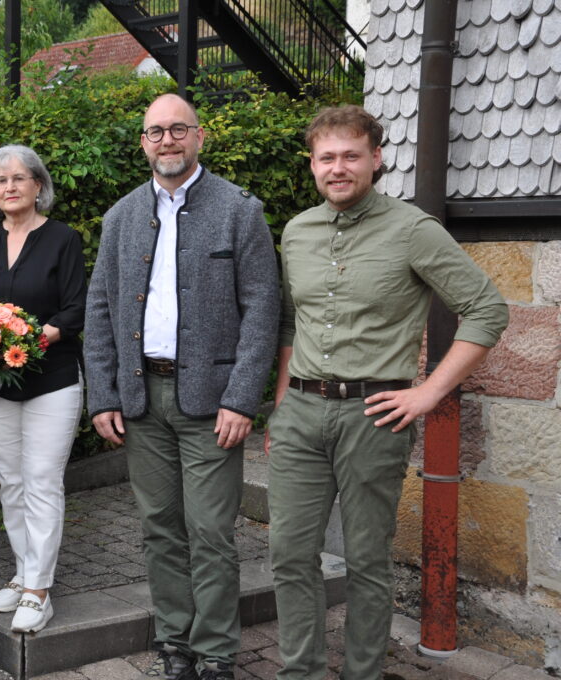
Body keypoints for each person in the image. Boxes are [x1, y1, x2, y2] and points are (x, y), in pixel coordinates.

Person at [266, 104, 508, 680]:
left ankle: (363, 673)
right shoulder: (297, 232)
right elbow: (290, 326)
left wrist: (428, 392)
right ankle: (298, 672)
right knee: (289, 557)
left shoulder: (413, 230)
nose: (338, 167)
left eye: (351, 155)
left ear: (376, 158)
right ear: (313, 165)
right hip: (299, 411)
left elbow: (487, 309)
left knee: (367, 560)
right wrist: (280, 409)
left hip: (373, 417)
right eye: (327, 158)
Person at [84, 94, 280, 680]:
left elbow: (263, 309)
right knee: (160, 528)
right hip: (142, 401)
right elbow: (99, 309)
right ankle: (175, 642)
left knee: (212, 533)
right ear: (143, 143)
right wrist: (104, 395)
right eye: (154, 132)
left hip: (212, 405)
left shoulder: (239, 210)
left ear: (199, 137)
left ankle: (217, 652)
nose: (166, 141)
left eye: (177, 130)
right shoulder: (120, 217)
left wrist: (243, 397)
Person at [0, 145, 87, 633]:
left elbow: (75, 310)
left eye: (18, 178)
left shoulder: (62, 240)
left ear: (38, 185)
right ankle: (22, 572)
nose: (8, 187)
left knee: (41, 481)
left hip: (51, 380)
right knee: (10, 482)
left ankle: (39, 590)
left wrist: (33, 339)